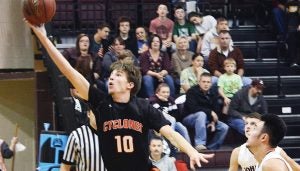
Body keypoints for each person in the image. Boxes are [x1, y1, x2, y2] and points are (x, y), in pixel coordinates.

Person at [25, 20, 214, 171]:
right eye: (111, 75)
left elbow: (171, 134)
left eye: (117, 75)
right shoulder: (100, 102)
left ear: (130, 85)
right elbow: (68, 71)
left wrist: (191, 151)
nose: (111, 78)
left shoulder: (143, 107)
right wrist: (42, 36)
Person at [229, 112, 300, 171]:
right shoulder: (262, 161)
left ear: (263, 137)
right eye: (246, 123)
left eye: (254, 127)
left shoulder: (271, 163)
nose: (249, 130)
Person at [183, 73, 229, 151]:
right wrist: (210, 112)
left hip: (207, 118)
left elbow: (216, 110)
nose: (206, 84)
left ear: (211, 83)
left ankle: (211, 148)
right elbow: (193, 108)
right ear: (199, 82)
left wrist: (213, 122)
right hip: (189, 118)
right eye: (203, 82)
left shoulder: (213, 92)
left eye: (208, 82)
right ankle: (200, 144)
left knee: (224, 127)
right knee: (201, 114)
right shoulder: (191, 91)